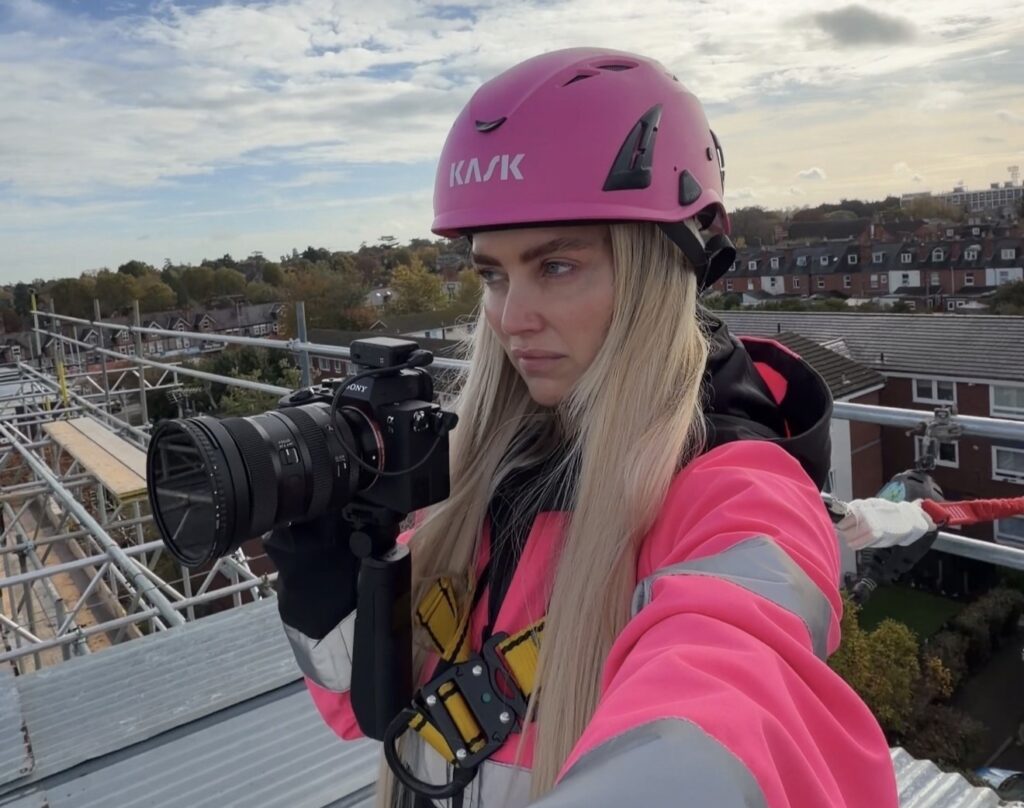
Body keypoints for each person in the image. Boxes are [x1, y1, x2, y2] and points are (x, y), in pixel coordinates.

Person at [266, 47, 899, 807]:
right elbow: (369, 709)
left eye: (556, 267)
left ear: (663, 270)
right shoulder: (489, 459)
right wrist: (324, 567)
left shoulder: (737, 490)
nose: (510, 319)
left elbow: (737, 695)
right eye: (493, 274)